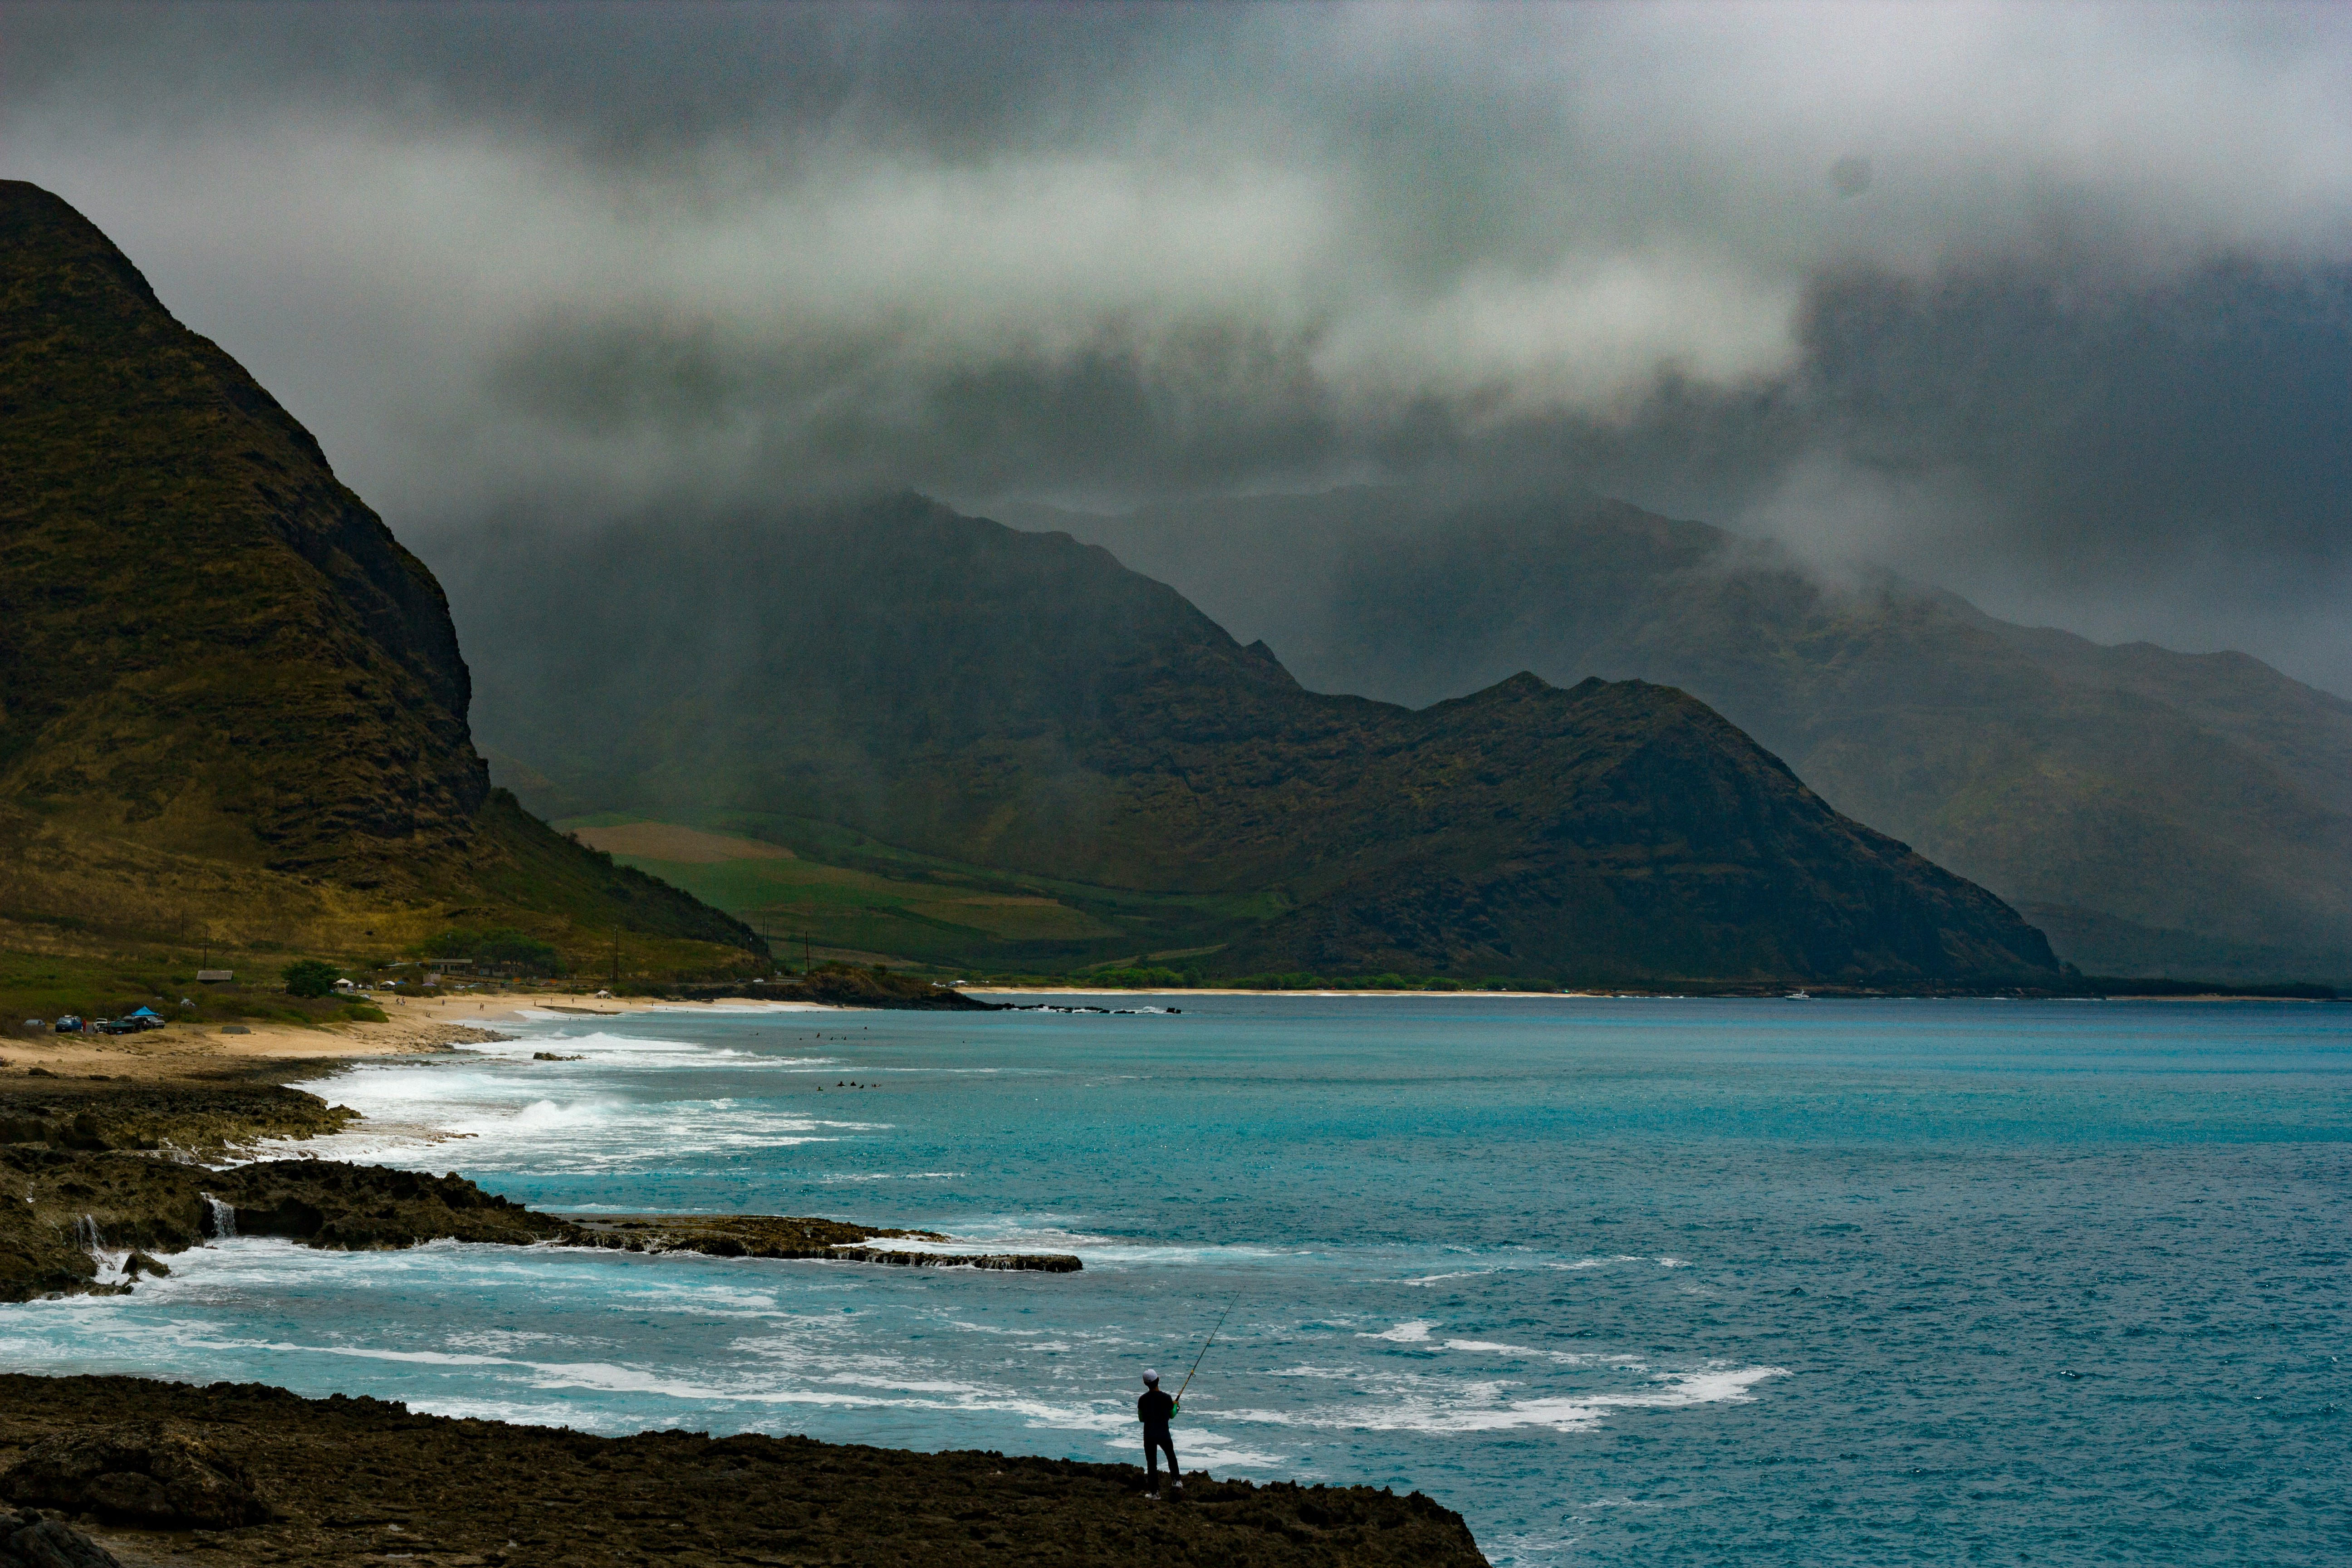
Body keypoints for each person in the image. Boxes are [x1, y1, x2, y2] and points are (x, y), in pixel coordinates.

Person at [1137, 1368, 1181, 1497]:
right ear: (1158, 1380)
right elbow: (1172, 1415)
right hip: (1164, 1434)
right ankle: (1176, 1481)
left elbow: (1141, 1419)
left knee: (1152, 1464)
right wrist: (1176, 1407)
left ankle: (1155, 1493)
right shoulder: (1167, 1398)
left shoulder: (1143, 1399)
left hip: (1149, 1435)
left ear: (1146, 1384)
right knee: (1171, 1456)